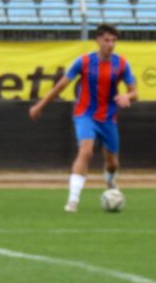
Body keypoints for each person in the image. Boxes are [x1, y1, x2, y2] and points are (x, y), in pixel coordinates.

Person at [28, 24, 137, 212]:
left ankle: (110, 182)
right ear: (98, 41)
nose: (110, 44)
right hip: (85, 114)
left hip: (108, 117)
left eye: (113, 41)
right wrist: (40, 105)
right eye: (106, 40)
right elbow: (61, 86)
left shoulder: (121, 64)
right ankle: (73, 200)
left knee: (113, 163)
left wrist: (128, 96)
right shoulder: (84, 61)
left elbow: (134, 92)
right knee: (86, 151)